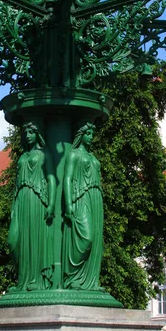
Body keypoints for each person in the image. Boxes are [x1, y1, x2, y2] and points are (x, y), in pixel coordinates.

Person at [8, 122, 56, 291]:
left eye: (31, 132)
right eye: (25, 132)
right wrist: (14, 208)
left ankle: (37, 280)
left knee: (35, 239)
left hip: (37, 200)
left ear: (37, 134)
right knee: (14, 240)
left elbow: (51, 179)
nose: (27, 135)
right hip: (21, 201)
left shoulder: (45, 154)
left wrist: (51, 204)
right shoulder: (22, 157)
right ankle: (23, 279)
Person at [63, 122, 103, 290]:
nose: (91, 137)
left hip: (95, 197)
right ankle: (72, 277)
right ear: (81, 135)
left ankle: (90, 281)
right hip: (80, 197)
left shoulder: (93, 158)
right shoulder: (74, 154)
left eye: (92, 134)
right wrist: (68, 203)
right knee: (86, 238)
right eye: (88, 134)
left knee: (96, 243)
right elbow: (67, 178)